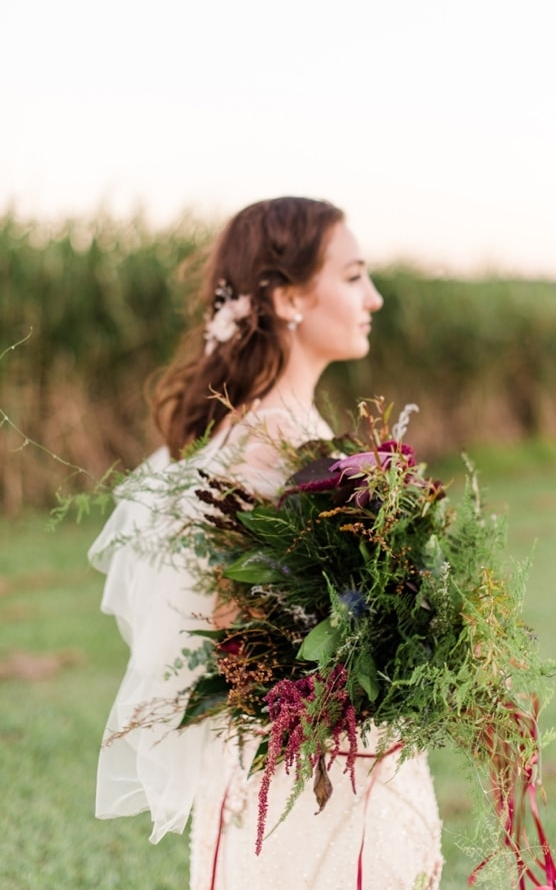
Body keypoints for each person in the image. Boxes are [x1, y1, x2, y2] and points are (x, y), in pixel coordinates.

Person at [90, 197, 444, 889]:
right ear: (288, 298)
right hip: (301, 773)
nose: (373, 297)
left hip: (333, 749)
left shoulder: (298, 428)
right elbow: (234, 626)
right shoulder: (263, 444)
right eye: (352, 277)